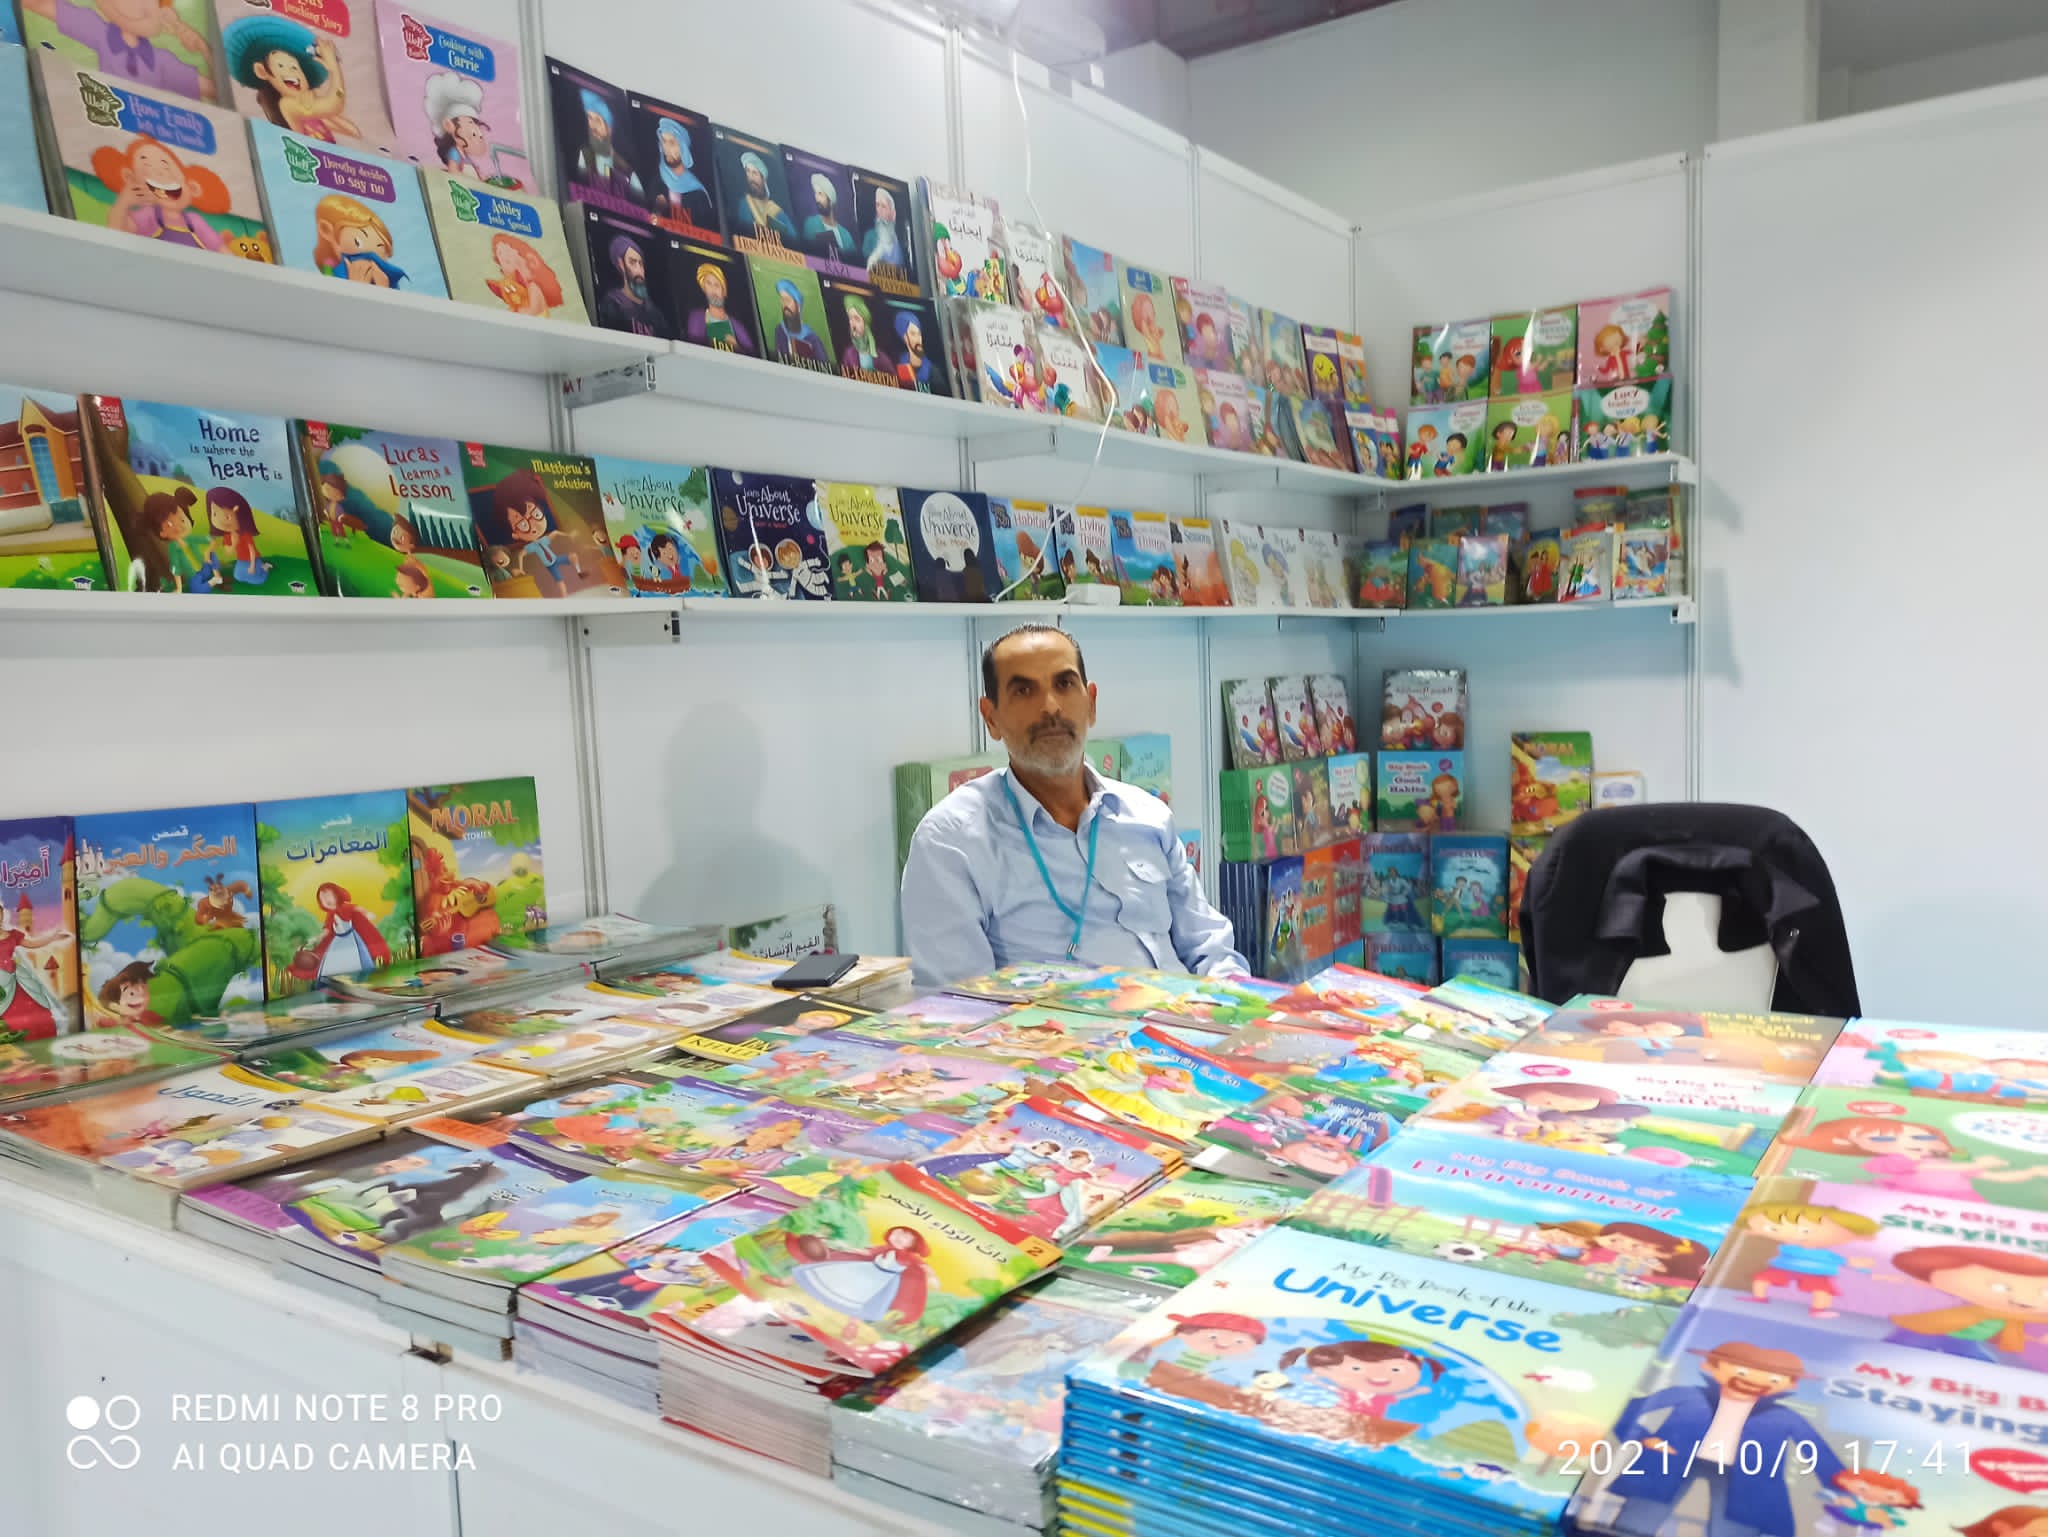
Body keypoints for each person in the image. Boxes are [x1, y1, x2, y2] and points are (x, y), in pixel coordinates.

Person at [901, 625, 1247, 989]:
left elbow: (1210, 948)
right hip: (1060, 1025)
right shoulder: (951, 842)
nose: (1050, 707)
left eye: (1064, 684)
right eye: (1024, 691)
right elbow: (960, 1004)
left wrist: (1240, 1005)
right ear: (991, 718)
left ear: (1091, 703)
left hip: (1189, 1016)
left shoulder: (1148, 816)